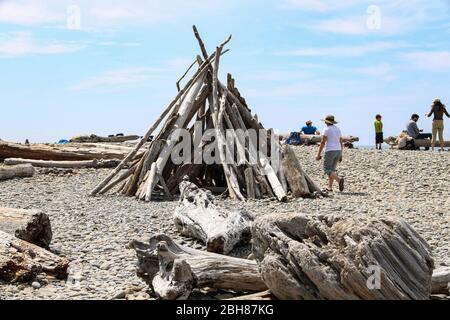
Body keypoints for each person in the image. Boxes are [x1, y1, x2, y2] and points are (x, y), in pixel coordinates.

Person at [316, 115, 344, 192]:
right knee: (332, 170)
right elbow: (341, 141)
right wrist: (341, 153)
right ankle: (330, 187)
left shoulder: (326, 129)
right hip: (338, 150)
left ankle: (339, 179)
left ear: (326, 121)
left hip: (330, 150)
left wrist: (318, 154)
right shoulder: (338, 129)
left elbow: (322, 142)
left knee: (327, 169)